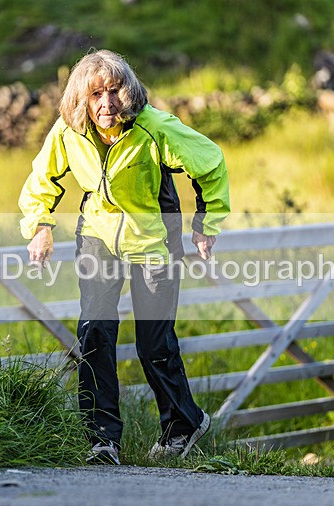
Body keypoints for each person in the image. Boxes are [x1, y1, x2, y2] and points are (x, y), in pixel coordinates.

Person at [18, 50, 230, 465]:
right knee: (95, 332)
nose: (106, 103)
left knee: (153, 342)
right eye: (96, 94)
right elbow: (41, 178)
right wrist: (40, 225)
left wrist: (207, 222)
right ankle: (101, 439)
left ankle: (183, 424)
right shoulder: (69, 131)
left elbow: (211, 162)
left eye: (115, 91)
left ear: (128, 91)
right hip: (97, 235)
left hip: (154, 240)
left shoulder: (154, 128)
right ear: (82, 99)